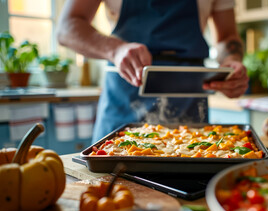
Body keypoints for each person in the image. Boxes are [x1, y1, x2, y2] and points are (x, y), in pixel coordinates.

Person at [57, 0, 249, 142]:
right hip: (124, 101)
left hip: (190, 108)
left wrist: (231, 61)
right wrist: (115, 49)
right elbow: (66, 28)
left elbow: (227, 36)